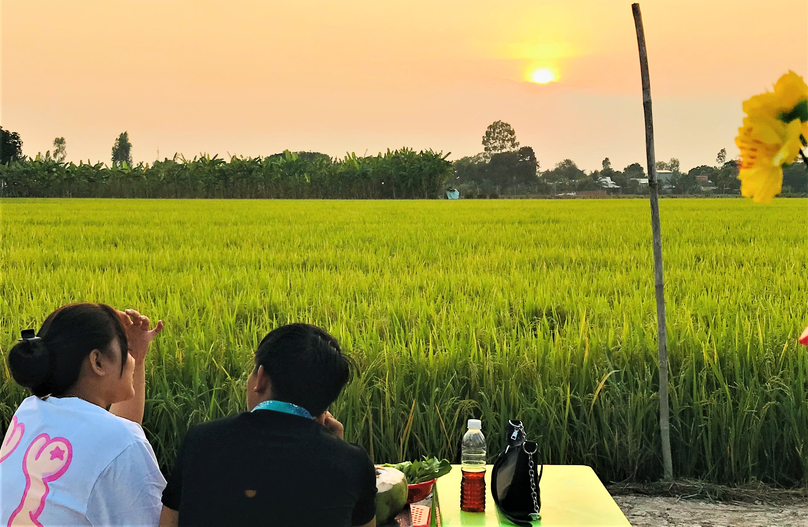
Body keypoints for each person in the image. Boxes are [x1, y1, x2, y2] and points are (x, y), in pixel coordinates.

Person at [159, 323, 377, 527]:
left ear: (261, 378)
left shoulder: (201, 440)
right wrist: (337, 447)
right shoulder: (353, 462)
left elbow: (168, 522)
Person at [0, 303, 165, 526]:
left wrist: (138, 354)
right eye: (126, 349)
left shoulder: (30, 411)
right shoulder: (121, 442)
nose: (132, 360)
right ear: (97, 361)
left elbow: (113, 442)